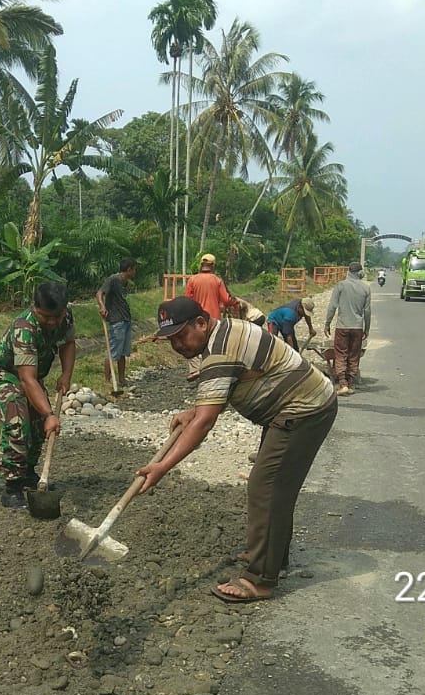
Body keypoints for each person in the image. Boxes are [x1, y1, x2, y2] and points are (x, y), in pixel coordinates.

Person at [142, 297, 336, 603]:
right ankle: (271, 555)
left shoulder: (218, 352)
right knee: (274, 486)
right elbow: (221, 392)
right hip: (291, 408)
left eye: (181, 336)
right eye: (171, 341)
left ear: (201, 323)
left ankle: (260, 579)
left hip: (304, 409)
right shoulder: (223, 331)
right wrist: (195, 411)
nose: (177, 346)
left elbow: (205, 423)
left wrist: (162, 467)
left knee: (266, 486)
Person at [0, 281, 76, 508]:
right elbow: (26, 379)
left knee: (37, 426)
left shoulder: (64, 316)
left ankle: (27, 473)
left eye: (56, 316)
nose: (52, 322)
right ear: (35, 307)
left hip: (32, 376)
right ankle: (13, 486)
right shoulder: (24, 329)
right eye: (46, 317)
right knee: (18, 422)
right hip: (5, 374)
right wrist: (49, 415)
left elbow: (68, 343)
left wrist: (66, 374)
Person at [182, 252, 239, 380]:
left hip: (196, 318)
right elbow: (226, 300)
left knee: (194, 342)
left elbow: (187, 299)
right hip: (213, 319)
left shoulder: (192, 280)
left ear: (201, 265)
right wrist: (234, 302)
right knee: (213, 344)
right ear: (213, 266)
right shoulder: (217, 280)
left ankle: (195, 369)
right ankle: (211, 368)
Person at [323, 260, 372, 396]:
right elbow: (367, 311)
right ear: (360, 273)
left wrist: (327, 324)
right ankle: (350, 383)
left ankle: (342, 383)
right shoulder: (366, 288)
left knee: (340, 354)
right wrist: (367, 328)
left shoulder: (340, 286)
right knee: (354, 355)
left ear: (348, 272)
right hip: (357, 327)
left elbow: (332, 306)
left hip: (342, 326)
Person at [95, 257, 136, 396]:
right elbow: (99, 293)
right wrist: (102, 306)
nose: (134, 272)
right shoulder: (113, 279)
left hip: (125, 319)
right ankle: (107, 381)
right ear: (129, 269)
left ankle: (121, 379)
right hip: (116, 320)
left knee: (123, 352)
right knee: (113, 351)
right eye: (134, 270)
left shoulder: (125, 283)